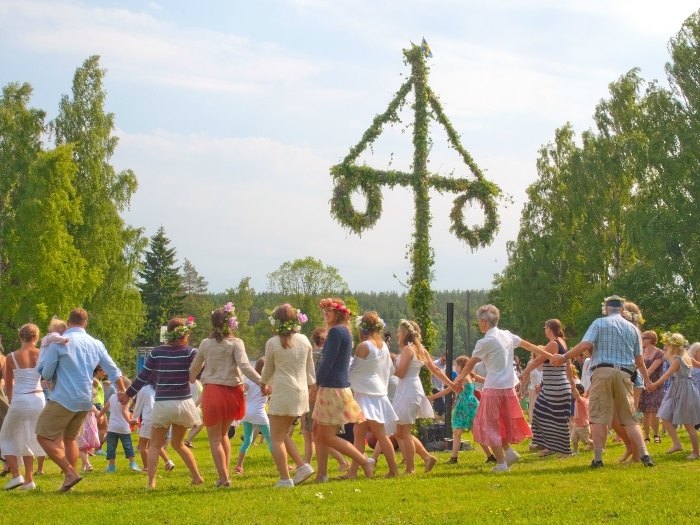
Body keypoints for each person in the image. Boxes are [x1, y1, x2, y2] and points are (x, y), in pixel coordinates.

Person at [549, 295, 653, 468]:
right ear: (622, 309)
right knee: (630, 418)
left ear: (606, 309)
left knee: (598, 417)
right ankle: (645, 455)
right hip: (625, 373)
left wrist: (564, 356)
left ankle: (598, 459)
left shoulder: (599, 323)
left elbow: (585, 345)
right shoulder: (633, 329)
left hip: (602, 371)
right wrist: (647, 380)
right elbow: (640, 361)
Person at [36, 308, 126, 492]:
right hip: (86, 399)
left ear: (68, 322)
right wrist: (123, 391)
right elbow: (113, 369)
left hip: (64, 397)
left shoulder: (60, 342)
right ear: (85, 323)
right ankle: (68, 483)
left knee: (43, 435)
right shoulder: (96, 343)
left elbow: (46, 373)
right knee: (70, 439)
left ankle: (70, 472)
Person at [452, 304, 548, 473]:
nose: (479, 324)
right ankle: (508, 453)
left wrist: (457, 381)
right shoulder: (507, 335)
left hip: (493, 388)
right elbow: (530, 346)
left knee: (487, 425)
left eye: (479, 321)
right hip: (508, 388)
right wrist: (551, 355)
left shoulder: (485, 341)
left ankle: (502, 463)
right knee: (500, 423)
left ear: (483, 321)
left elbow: (469, 365)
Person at [119, 317, 203, 489]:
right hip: (183, 403)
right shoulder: (190, 353)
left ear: (168, 334)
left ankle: (152, 482)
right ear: (185, 334)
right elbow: (200, 375)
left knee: (155, 445)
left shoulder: (156, 353)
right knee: (178, 444)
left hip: (163, 403)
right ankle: (196, 476)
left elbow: (143, 376)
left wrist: (128, 394)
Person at [189, 304, 264, 487]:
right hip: (233, 393)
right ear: (231, 323)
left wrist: (191, 378)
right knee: (224, 435)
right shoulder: (236, 343)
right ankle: (226, 474)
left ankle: (224, 479)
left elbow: (193, 370)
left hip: (213, 391)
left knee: (214, 438)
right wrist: (262, 381)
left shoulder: (206, 344)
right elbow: (245, 366)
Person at [312, 298, 374, 482]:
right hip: (334, 386)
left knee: (327, 436)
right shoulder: (343, 331)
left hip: (332, 388)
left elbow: (327, 362)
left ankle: (364, 461)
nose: (325, 314)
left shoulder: (336, 332)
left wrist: (316, 385)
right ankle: (321, 474)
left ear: (338, 313)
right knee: (317, 431)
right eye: (324, 311)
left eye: (329, 310)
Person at [260, 303, 316, 488]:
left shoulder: (272, 342)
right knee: (282, 434)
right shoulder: (305, 340)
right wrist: (312, 389)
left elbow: (267, 370)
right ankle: (302, 466)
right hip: (301, 393)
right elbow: (310, 371)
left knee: (275, 438)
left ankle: (285, 479)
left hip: (283, 393)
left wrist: (262, 384)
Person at [392, 319, 458, 474]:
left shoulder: (409, 350)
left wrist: (387, 366)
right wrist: (451, 384)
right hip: (409, 389)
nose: (397, 334)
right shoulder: (420, 349)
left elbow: (401, 373)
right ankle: (427, 457)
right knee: (399, 431)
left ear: (405, 333)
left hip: (408, 389)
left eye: (399, 331)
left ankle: (411, 468)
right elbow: (436, 370)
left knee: (404, 431)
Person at [346, 312, 399, 478]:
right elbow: (389, 369)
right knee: (359, 432)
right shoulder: (383, 345)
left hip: (367, 394)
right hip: (374, 392)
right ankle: (353, 472)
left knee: (378, 433)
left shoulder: (364, 346)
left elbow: (354, 369)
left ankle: (393, 470)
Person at [0, 324, 46, 490]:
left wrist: (12, 402)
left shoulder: (11, 357)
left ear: (20, 336)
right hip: (39, 398)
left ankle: (16, 475)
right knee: (27, 438)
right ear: (36, 337)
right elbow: (47, 375)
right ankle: (29, 480)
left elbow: (9, 386)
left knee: (5, 437)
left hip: (20, 398)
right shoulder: (42, 353)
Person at [519, 319, 573, 456]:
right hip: (554, 386)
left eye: (545, 327)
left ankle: (564, 450)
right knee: (541, 414)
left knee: (554, 418)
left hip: (556, 387)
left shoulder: (553, 343)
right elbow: (568, 365)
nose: (544, 330)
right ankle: (549, 447)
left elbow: (538, 360)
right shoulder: (562, 342)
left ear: (549, 329)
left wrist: (523, 373)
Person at [647, 332, 700, 460]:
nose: (667, 347)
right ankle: (677, 444)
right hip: (677, 389)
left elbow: (667, 375)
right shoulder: (685, 356)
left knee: (688, 423)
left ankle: (696, 452)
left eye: (669, 345)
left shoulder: (678, 359)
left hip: (684, 390)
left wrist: (654, 384)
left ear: (674, 346)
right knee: (664, 415)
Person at [429, 355, 479, 464]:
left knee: (460, 431)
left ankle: (491, 454)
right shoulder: (472, 376)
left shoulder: (461, 377)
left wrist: (431, 397)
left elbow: (448, 390)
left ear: (461, 365)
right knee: (466, 431)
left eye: (456, 364)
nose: (455, 367)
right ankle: (454, 458)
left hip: (463, 406)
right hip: (472, 404)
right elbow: (485, 379)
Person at [236, 358, 272, 474]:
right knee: (271, 440)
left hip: (247, 412)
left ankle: (239, 466)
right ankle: (282, 465)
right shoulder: (267, 381)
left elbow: (241, 390)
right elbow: (270, 392)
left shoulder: (249, 380)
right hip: (259, 412)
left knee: (247, 440)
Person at [130, 378, 175, 472]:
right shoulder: (160, 388)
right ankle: (168, 461)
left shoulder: (144, 389)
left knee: (142, 446)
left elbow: (138, 405)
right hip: (160, 418)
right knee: (155, 445)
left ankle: (147, 467)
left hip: (148, 419)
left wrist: (134, 419)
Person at [98, 378, 140, 473]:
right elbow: (124, 411)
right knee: (128, 446)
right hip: (123, 428)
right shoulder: (126, 397)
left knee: (111, 448)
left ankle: (111, 467)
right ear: (128, 387)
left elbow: (105, 408)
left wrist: (99, 416)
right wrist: (129, 421)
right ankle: (133, 464)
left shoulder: (113, 396)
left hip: (112, 427)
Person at [637, 331, 665, 443]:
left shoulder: (659, 353)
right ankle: (646, 436)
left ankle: (656, 435)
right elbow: (637, 366)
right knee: (645, 411)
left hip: (655, 385)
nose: (641, 340)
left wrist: (646, 381)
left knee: (654, 411)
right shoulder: (640, 352)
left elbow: (652, 369)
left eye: (643, 338)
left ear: (650, 339)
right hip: (642, 384)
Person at [569, 382, 593, 454]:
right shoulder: (578, 400)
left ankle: (598, 446)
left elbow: (577, 395)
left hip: (583, 426)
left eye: (573, 391)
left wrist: (573, 386)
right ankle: (575, 451)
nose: (572, 393)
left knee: (586, 441)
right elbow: (588, 392)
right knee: (574, 439)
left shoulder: (581, 401)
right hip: (577, 425)